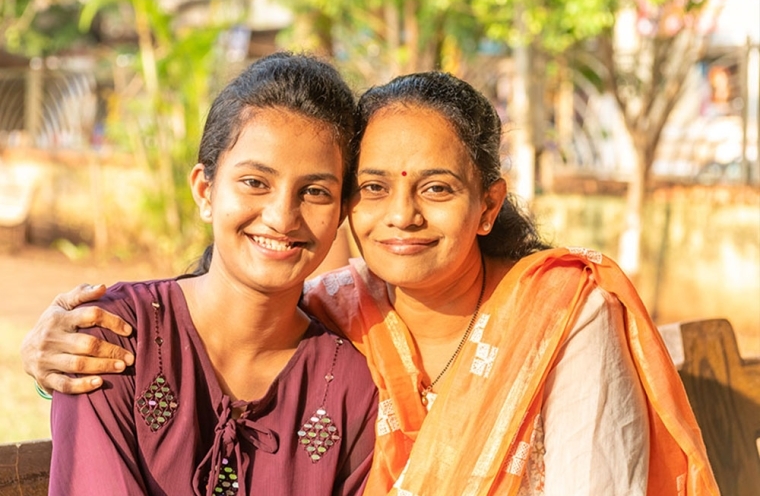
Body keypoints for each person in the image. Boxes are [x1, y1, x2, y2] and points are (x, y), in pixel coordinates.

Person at [23, 71, 718, 495]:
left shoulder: (561, 316)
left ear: (488, 205)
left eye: (438, 188)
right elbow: (212, 310)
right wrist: (46, 354)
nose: (402, 216)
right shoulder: (338, 318)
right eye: (374, 186)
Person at [42, 52, 378, 496]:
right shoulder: (113, 335)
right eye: (255, 182)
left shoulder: (351, 386)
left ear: (339, 214)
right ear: (205, 191)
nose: (281, 217)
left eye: (314, 191)